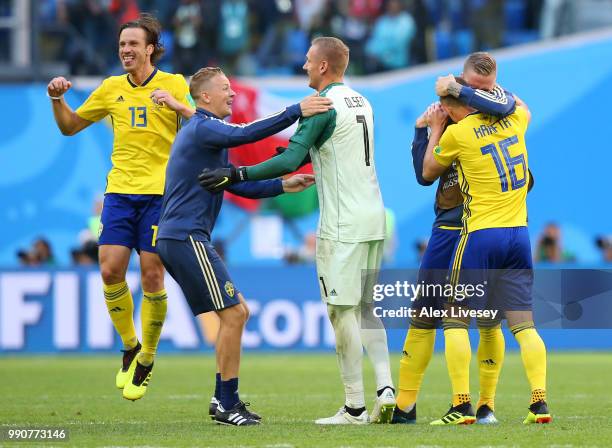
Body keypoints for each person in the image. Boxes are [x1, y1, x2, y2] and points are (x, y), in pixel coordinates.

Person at [199, 37, 395, 425]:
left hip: (342, 223)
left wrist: (235, 174)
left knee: (342, 313)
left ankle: (355, 407)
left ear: (323, 67)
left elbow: (290, 158)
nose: (303, 66)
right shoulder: (361, 101)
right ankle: (386, 388)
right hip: (374, 218)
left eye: (308, 61)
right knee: (367, 310)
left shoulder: (320, 106)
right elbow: (311, 151)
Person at [155, 66, 332, 426]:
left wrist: (282, 186)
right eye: (225, 89)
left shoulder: (204, 135)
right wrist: (295, 110)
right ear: (204, 97)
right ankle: (226, 403)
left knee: (235, 315)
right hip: (185, 236)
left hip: (182, 237)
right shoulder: (205, 128)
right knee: (235, 314)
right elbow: (248, 132)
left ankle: (224, 400)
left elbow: (233, 185)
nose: (233, 94)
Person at [47, 14, 195, 401]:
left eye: (133, 44)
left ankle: (147, 355)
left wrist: (177, 104)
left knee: (151, 277)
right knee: (110, 270)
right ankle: (130, 344)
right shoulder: (111, 88)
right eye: (122, 45)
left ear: (150, 48)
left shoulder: (174, 83)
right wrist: (56, 99)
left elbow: (201, 124)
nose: (126, 50)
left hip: (162, 195)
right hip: (119, 194)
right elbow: (69, 126)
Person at [393, 52, 521, 425]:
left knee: (470, 318)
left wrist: (428, 129)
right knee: (434, 315)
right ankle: (410, 406)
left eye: (486, 89)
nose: (480, 95)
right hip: (463, 229)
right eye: (472, 89)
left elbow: (426, 172)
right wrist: (426, 129)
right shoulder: (489, 119)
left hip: (472, 228)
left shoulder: (485, 118)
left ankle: (475, 405)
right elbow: (424, 173)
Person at [422, 78, 551, 425]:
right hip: (519, 236)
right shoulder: (513, 120)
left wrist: (434, 129)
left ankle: (461, 405)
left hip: (481, 235)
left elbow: (428, 171)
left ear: (449, 109)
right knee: (523, 325)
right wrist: (486, 87)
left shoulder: (457, 135)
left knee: (454, 318)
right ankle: (539, 403)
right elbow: (522, 105)